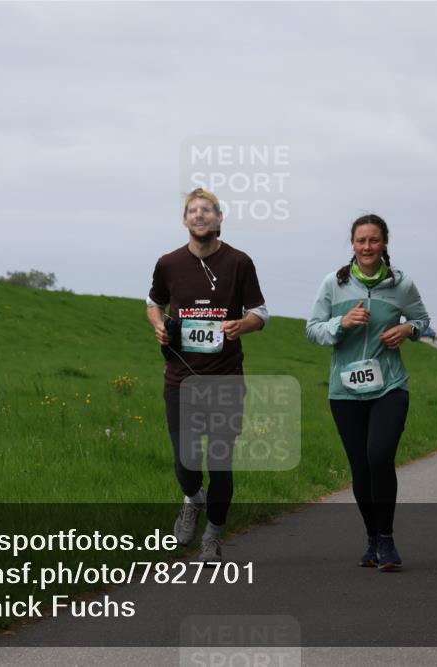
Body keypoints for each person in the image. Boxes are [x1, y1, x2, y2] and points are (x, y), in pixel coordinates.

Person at [147, 188, 268, 563]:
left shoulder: (239, 262)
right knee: (185, 462)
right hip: (180, 379)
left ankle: (213, 536)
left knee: (220, 461)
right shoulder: (168, 263)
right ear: (185, 220)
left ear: (219, 218)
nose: (200, 216)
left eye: (207, 211)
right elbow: (154, 303)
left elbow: (261, 313)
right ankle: (192, 498)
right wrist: (159, 327)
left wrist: (241, 325)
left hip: (226, 378)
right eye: (193, 211)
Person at [307, 213, 430, 572]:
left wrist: (407, 331)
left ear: (384, 244)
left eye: (373, 240)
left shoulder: (401, 285)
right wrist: (340, 324)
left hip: (389, 385)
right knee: (360, 466)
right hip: (345, 390)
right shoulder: (334, 283)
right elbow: (312, 330)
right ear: (352, 244)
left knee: (379, 457)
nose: (367, 247)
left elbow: (423, 321)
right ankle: (372, 538)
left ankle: (388, 540)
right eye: (361, 241)